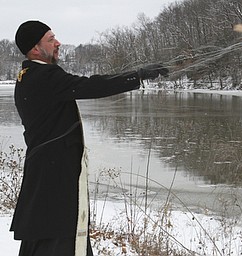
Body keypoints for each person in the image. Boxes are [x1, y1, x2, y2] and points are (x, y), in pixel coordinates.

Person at [10, 20, 169, 256]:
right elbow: (91, 86)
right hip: (55, 174)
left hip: (46, 170)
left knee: (45, 229)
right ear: (35, 48)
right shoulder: (44, 76)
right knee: (59, 231)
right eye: (51, 39)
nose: (58, 43)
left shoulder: (28, 76)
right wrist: (137, 76)